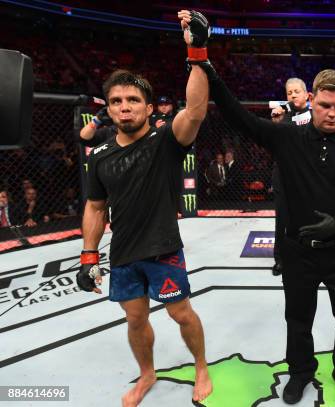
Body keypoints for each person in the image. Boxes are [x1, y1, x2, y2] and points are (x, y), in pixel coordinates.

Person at [197, 32, 335, 404]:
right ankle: (299, 372)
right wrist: (209, 71)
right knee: (298, 320)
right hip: (299, 251)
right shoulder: (287, 138)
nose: (332, 113)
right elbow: (239, 118)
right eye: (326, 104)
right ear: (311, 100)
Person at [75, 10, 213, 406]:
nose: (124, 107)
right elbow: (96, 207)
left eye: (133, 100)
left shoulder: (165, 140)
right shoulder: (99, 155)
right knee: (135, 319)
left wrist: (197, 51)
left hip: (163, 248)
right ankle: (147, 374)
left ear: (148, 108)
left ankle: (201, 365)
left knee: (181, 315)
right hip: (123, 254)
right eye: (116, 101)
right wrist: (88, 255)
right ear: (109, 108)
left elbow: (197, 110)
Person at [270, 77, 311, 276]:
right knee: (282, 219)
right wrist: (278, 122)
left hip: (306, 175)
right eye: (289, 93)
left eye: (296, 91)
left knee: (307, 217)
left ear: (306, 95)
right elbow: (276, 143)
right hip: (283, 175)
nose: (293, 95)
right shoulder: (281, 116)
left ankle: (305, 256)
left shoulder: (314, 116)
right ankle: (280, 259)